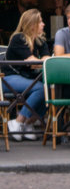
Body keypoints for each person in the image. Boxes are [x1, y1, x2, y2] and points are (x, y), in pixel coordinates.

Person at [4, 9, 50, 141]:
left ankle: (27, 123)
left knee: (51, 89)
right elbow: (33, 61)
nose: (43, 24)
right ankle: (18, 121)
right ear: (32, 24)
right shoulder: (19, 38)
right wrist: (39, 61)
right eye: (40, 21)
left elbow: (45, 61)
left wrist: (39, 61)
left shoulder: (41, 41)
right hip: (8, 79)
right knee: (41, 88)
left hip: (28, 79)